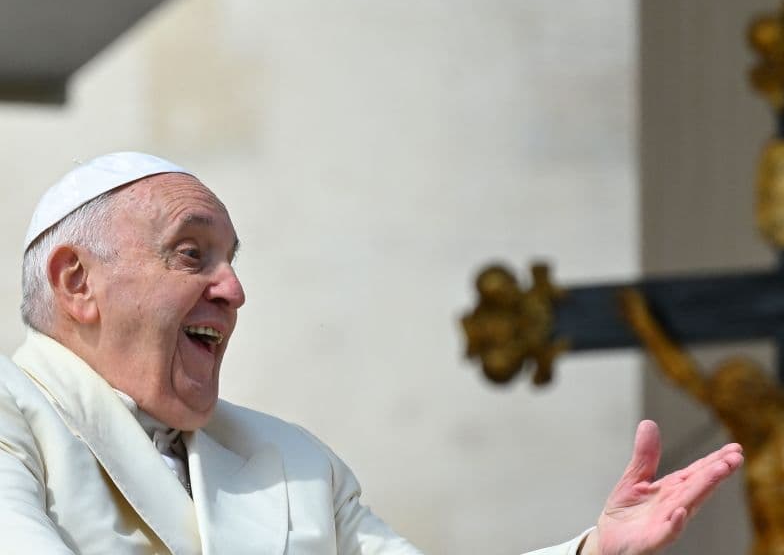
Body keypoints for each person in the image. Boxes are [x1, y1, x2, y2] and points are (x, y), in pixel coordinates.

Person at [0, 152, 744, 554]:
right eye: (191, 254)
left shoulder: (293, 462)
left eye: (232, 259)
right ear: (78, 283)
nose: (233, 289)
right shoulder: (12, 413)